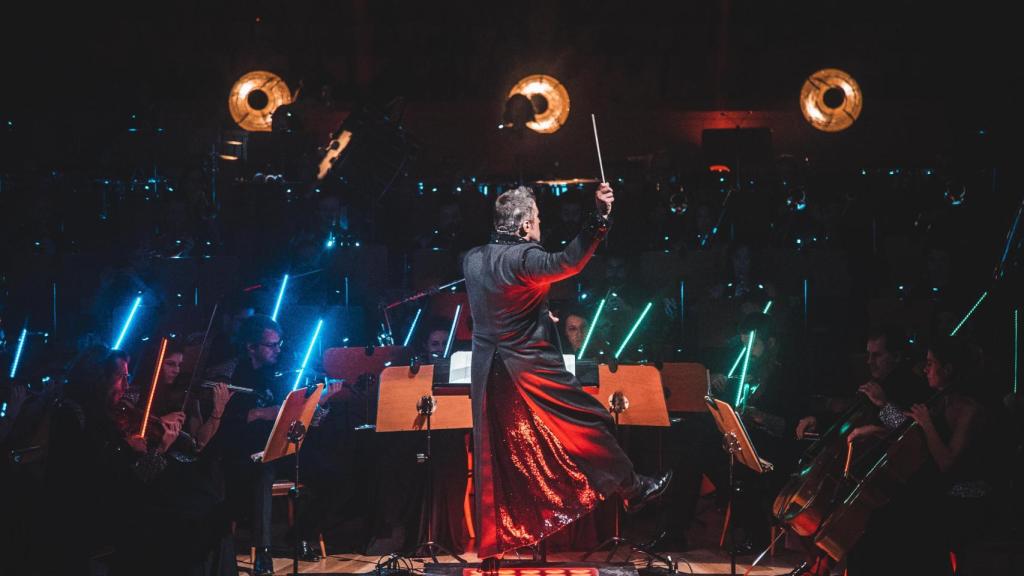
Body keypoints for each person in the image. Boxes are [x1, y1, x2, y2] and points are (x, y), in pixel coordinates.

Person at [462, 183, 671, 559]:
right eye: (538, 220)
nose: (540, 226)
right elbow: (569, 262)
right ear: (525, 226)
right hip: (526, 367)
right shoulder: (525, 258)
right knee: (589, 420)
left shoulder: (473, 259)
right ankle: (632, 489)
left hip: (488, 373)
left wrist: (539, 313)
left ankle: (497, 544)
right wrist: (599, 219)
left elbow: (501, 302)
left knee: (503, 455)